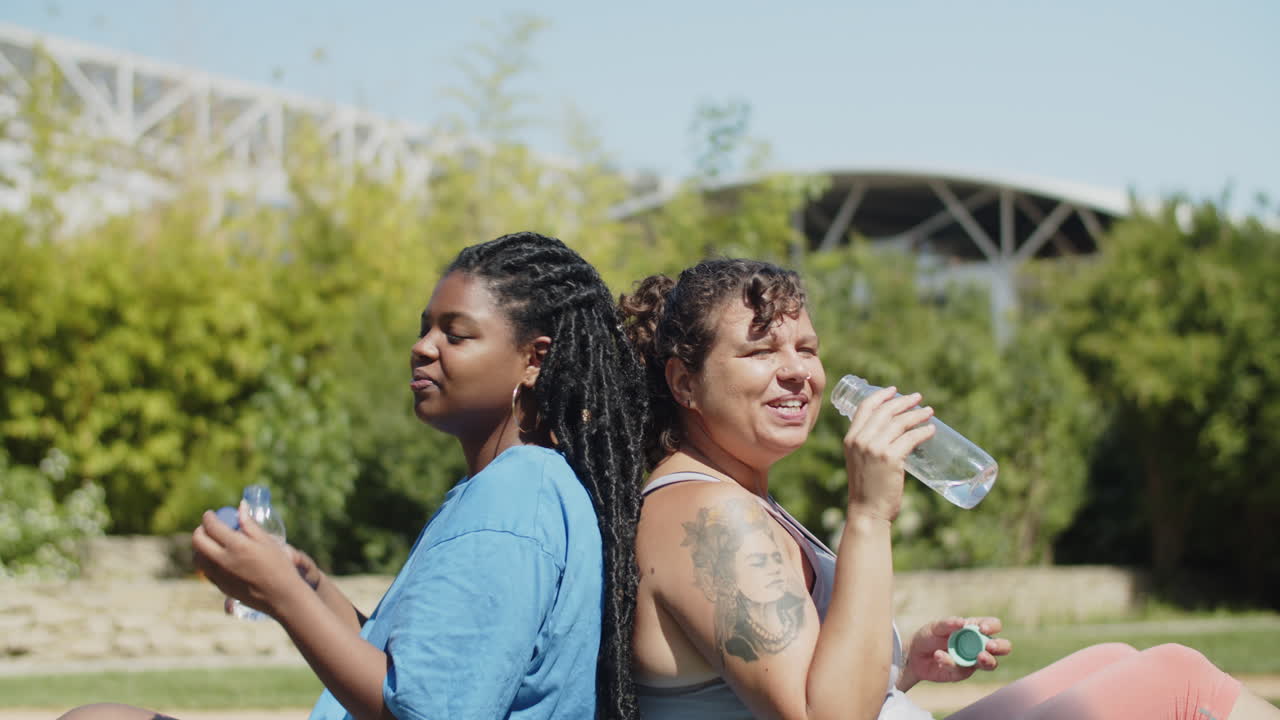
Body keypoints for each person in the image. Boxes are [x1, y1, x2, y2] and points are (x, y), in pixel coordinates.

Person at [618, 257, 1279, 720]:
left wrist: (903, 666)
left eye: (807, 349)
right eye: (761, 351)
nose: (797, 373)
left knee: (1113, 656)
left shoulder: (740, 497)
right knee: (1177, 682)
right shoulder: (706, 513)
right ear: (684, 382)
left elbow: (793, 683)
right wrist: (869, 515)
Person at [60, 231, 648, 720]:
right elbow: (429, 673)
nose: (423, 347)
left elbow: (423, 712)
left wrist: (283, 596)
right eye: (424, 328)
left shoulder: (513, 499)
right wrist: (315, 589)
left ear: (534, 359)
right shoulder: (527, 486)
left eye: (455, 334)